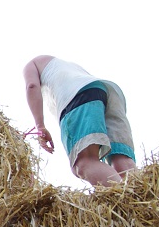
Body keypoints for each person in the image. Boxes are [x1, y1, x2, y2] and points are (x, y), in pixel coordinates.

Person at [23, 55, 136, 187]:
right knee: (122, 160)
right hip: (109, 92)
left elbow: (31, 86)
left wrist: (40, 126)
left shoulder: (33, 63)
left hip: (79, 95)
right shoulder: (64, 66)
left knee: (84, 162)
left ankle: (125, 203)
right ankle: (144, 202)